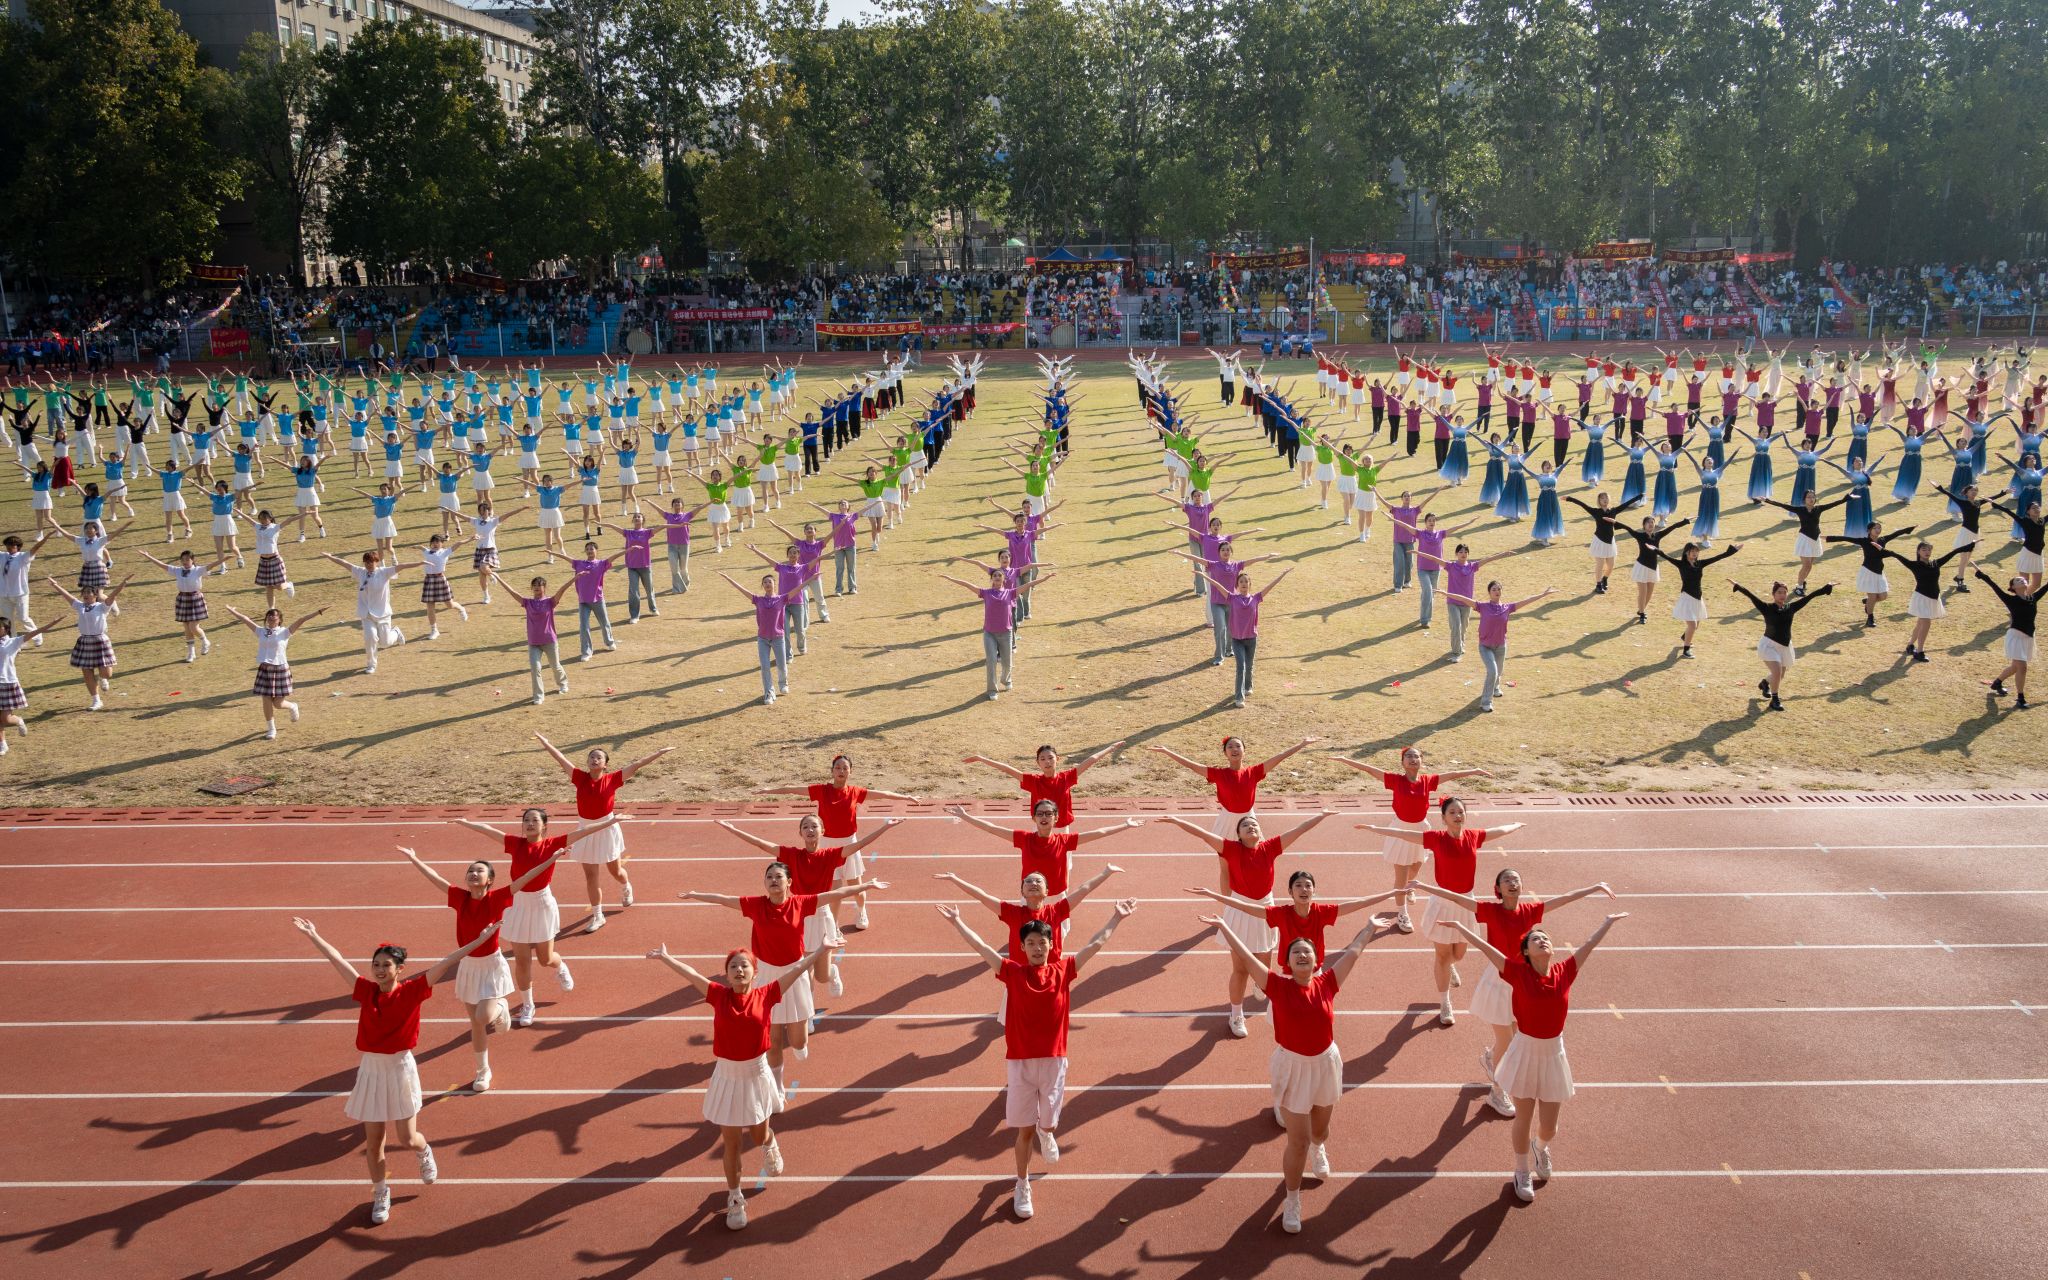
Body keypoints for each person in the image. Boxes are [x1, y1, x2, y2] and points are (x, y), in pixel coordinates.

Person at [937, 897, 1139, 1220]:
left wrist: (1116, 917)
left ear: (1051, 945)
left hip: (1054, 1061)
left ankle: (1048, 1132)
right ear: (1021, 947)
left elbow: (1095, 944)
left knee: (1048, 1122)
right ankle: (1022, 1183)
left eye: (1042, 942)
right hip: (1020, 1064)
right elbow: (982, 947)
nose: (1036, 947)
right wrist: (957, 922)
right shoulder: (1011, 972)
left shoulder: (1063, 970)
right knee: (1024, 1132)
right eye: (1030, 943)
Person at [289, 916, 496, 1226]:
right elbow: (338, 960)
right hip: (371, 1070)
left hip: (400, 1068)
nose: (380, 969)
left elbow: (448, 960)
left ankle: (423, 1151)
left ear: (400, 969)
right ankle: (380, 1192)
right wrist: (314, 935)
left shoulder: (413, 990)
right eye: (376, 964)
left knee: (407, 1138)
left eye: (386, 965)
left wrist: (480, 940)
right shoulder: (366, 991)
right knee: (374, 1144)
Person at [1200, 910, 1381, 1233]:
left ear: (1316, 960)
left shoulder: (1328, 982)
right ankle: (1292, 1198)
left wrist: (1368, 927)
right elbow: (1246, 956)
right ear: (1287, 960)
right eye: (1295, 951)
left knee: (1319, 1132)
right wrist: (1224, 926)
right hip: (1292, 1067)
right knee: (1297, 1141)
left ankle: (1319, 1146)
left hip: (1325, 1064)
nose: (1301, 955)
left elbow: (1353, 952)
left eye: (1307, 951)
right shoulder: (1276, 986)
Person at [645, 937, 839, 1230]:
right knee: (732, 1142)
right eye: (733, 966)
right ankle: (735, 1197)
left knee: (758, 1135)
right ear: (726, 974)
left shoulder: (767, 994)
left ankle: (769, 1143)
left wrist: (822, 950)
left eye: (744, 965)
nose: (738, 970)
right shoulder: (718, 995)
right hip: (727, 1076)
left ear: (754, 972)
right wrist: (666, 958)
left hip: (756, 1074)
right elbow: (693, 976)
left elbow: (797, 970)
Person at [1441, 910, 1630, 1201]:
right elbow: (1485, 948)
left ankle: (1540, 1147)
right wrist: (1459, 926)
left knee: (1550, 1127)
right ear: (1526, 952)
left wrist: (1607, 922)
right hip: (1525, 1052)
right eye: (1535, 939)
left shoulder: (1565, 971)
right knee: (1524, 1117)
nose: (1542, 940)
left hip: (1553, 1053)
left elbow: (1588, 946)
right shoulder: (1517, 973)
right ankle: (1521, 1170)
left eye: (1545, 938)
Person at [1408, 873, 1615, 1116]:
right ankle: (1496, 1093)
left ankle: (1491, 1058)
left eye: (1516, 879)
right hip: (1499, 980)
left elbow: (1564, 899)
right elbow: (1457, 899)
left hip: (1523, 983)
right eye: (1506, 880)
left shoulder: (1530, 911)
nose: (1512, 883)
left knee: (1515, 1037)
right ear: (1497, 888)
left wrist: (1594, 887)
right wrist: (1423, 886)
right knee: (1507, 1040)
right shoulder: (1490, 910)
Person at [678, 865, 888, 1090]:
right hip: (767, 976)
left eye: (778, 876)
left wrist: (867, 885)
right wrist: (695, 895)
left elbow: (836, 893)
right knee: (774, 1040)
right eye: (769, 877)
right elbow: (724, 899)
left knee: (798, 1042)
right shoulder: (756, 905)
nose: (773, 880)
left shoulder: (800, 903)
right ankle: (777, 1087)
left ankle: (826, 982)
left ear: (789, 882)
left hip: (794, 974)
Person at [395, 840, 568, 1091]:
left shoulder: (497, 898)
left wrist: (552, 859)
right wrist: (414, 858)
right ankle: (482, 1071)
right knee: (476, 1024)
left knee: (483, 1016)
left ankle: (501, 1007)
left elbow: (526, 878)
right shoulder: (460, 898)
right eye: (470, 871)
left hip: (491, 966)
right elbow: (435, 879)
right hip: (468, 966)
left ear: (490, 880)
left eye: (479, 871)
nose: (473, 873)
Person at [1157, 809, 1337, 1038]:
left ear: (1260, 833)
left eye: (1254, 824)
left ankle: (1259, 985)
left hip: (1265, 911)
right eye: (1246, 825)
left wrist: (1321, 816)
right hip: (1240, 910)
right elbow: (1202, 833)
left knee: (1264, 966)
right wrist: (1176, 820)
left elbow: (1299, 830)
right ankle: (1236, 1014)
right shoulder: (1230, 849)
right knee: (1240, 969)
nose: (1251, 826)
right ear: (1239, 835)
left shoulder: (1270, 847)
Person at [450, 807, 624, 1026]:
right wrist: (466, 822)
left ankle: (560, 966)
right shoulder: (515, 843)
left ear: (544, 826)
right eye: (526, 820)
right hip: (517, 904)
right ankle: (528, 1005)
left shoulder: (552, 844)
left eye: (534, 820)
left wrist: (611, 821)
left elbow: (584, 831)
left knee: (545, 959)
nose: (529, 824)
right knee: (522, 961)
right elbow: (489, 830)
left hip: (542, 904)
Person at [1363, 799, 1528, 1027]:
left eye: (1461, 811)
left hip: (1466, 903)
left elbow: (1497, 831)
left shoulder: (1473, 836)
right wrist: (1376, 829)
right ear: (1443, 818)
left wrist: (1515, 825)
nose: (1458, 815)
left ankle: (1449, 967)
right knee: (1442, 955)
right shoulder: (1437, 838)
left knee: (1458, 954)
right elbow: (1405, 835)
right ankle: (1444, 1001)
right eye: (1452, 812)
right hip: (1442, 903)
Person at [715, 815, 903, 997]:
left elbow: (860, 844)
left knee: (822, 976)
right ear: (800, 833)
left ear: (823, 831)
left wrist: (886, 826)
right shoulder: (791, 855)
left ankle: (833, 973)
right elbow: (761, 844)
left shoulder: (830, 855)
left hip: (821, 916)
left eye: (814, 826)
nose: (810, 830)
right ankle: (808, 1011)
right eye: (805, 827)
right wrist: (733, 829)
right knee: (804, 971)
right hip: (797, 914)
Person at [1329, 747, 1492, 933]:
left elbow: (1453, 774)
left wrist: (1474, 770)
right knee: (1401, 876)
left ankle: (1409, 887)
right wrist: (1344, 759)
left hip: (1421, 830)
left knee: (1415, 867)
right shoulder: (1395, 780)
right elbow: (1369, 769)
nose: (1412, 759)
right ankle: (1402, 913)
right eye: (1408, 756)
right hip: (1401, 830)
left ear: (1421, 761)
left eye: (1416, 756)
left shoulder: (1428, 781)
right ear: (1402, 762)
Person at [754, 756, 921, 930]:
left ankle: (861, 910)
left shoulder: (855, 792)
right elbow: (793, 790)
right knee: (834, 890)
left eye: (845, 768)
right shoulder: (821, 790)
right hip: (827, 845)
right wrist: (769, 790)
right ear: (832, 771)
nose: (841, 771)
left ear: (850, 771)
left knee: (856, 885)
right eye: (838, 768)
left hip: (849, 844)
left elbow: (883, 794)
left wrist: (906, 797)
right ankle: (834, 925)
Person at [534, 733, 672, 933]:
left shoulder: (613, 779)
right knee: (591, 876)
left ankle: (625, 885)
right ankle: (598, 915)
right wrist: (546, 743)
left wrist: (659, 752)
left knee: (615, 871)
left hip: (607, 827)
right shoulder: (579, 778)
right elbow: (560, 758)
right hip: (585, 829)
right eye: (591, 757)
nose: (594, 759)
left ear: (605, 764)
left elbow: (637, 765)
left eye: (599, 757)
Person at [1146, 734, 1321, 835]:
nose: (1234, 749)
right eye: (1230, 747)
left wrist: (1302, 744)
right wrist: (1167, 751)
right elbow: (1191, 765)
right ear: (1225, 753)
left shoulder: (1254, 772)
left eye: (1238, 746)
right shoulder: (1219, 774)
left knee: (1251, 852)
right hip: (1227, 819)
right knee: (1225, 857)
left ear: (1244, 751)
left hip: (1248, 818)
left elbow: (1280, 756)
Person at [1446, 581, 1557, 713]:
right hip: (1485, 647)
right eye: (1494, 589)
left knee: (1498, 672)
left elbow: (1526, 601)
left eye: (1499, 589)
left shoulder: (1507, 608)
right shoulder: (1482, 606)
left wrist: (1543, 595)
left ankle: (1495, 688)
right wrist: (1446, 594)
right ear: (1489, 592)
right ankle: (1486, 703)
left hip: (1501, 646)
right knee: (1492, 672)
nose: (1497, 591)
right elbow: (1464, 599)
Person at [963, 741, 1127, 830]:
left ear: (1057, 759)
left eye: (1050, 758)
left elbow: (1091, 760)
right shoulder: (1033, 781)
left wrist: (1110, 748)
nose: (1047, 762)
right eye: (1042, 759)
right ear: (1038, 763)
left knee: (1064, 865)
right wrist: (981, 759)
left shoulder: (1067, 777)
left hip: (1062, 827)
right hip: (1042, 827)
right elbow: (1007, 769)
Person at [221, 604, 326, 738]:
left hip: (280, 669)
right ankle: (271, 729)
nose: (271, 618)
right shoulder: (261, 631)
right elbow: (245, 619)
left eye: (274, 616)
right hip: (265, 669)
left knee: (278, 703)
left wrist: (318, 611)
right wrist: (232, 611)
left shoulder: (285, 632)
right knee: (266, 699)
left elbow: (301, 620)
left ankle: (292, 706)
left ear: (279, 619)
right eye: (269, 615)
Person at [1730, 579, 1835, 712]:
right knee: (1777, 672)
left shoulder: (1791, 607)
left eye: (1784, 592)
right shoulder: (1766, 607)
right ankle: (1775, 700)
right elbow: (1751, 596)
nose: (1782, 595)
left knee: (1780, 675)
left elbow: (1809, 597)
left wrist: (1825, 589)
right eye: (1779, 592)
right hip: (1769, 646)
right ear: (1773, 594)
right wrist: (1738, 586)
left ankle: (1765, 683)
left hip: (1784, 647)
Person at [44, 572, 132, 709]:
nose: (85, 594)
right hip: (85, 641)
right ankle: (96, 700)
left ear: (95, 595)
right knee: (86, 671)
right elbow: (67, 596)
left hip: (100, 641)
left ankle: (102, 678)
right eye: (84, 592)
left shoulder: (102, 607)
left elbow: (113, 595)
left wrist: (123, 583)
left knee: (106, 673)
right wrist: (55, 585)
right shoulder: (80, 606)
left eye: (88, 592)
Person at [490, 571, 574, 705]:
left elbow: (562, 589)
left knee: (555, 666)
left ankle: (563, 683)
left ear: (544, 588)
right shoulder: (527, 603)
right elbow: (512, 592)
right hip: (533, 643)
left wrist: (575, 578)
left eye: (539, 585)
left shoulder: (550, 602)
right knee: (535, 669)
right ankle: (538, 696)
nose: (536, 587)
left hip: (549, 641)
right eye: (534, 585)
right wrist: (499, 578)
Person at [1656, 542, 1743, 658]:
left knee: (1695, 625)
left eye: (1697, 551)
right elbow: (1666, 556)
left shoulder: (1700, 564)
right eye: (1692, 551)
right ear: (1686, 552)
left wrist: (1732, 550)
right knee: (1692, 626)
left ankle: (1685, 637)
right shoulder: (1681, 564)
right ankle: (1686, 650)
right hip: (1687, 598)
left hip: (1698, 598)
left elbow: (1718, 557)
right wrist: (1655, 549)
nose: (1695, 553)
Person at [0, 615, 63, 754]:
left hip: (7, 683)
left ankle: (19, 721)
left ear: (6, 629)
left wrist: (52, 623)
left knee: (5, 718)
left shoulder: (13, 642)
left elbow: (36, 632)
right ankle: (2, 744)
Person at [1976, 569, 2036, 709]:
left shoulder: (2033, 598)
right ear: (2013, 587)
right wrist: (1983, 576)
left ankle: (1997, 683)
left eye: (2023, 579)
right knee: (2022, 667)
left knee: (2015, 667)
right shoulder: (2010, 599)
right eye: (2018, 580)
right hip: (2015, 637)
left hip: (2028, 638)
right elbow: (1994, 586)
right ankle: (2020, 698)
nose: (2022, 580)